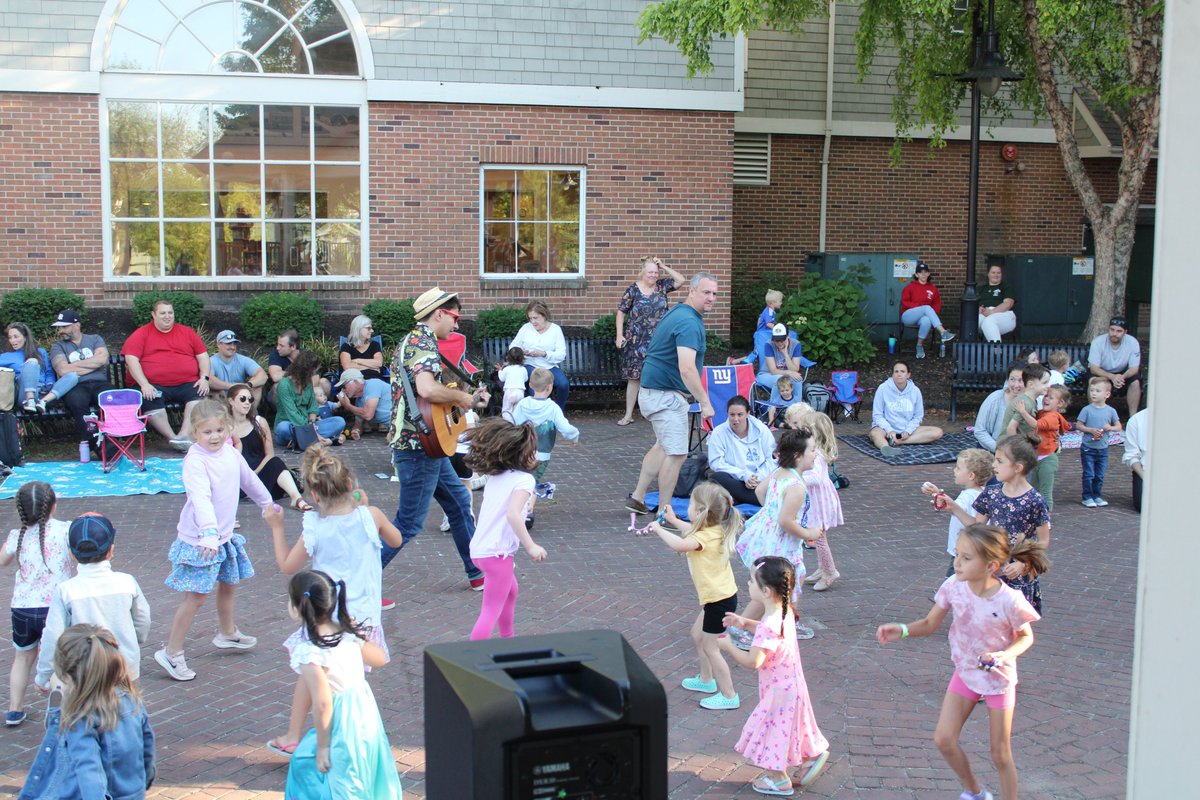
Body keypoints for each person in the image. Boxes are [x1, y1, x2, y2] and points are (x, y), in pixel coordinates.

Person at [876, 524, 1047, 800]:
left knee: (1000, 754)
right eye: (957, 554)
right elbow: (930, 623)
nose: (957, 562)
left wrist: (1004, 655)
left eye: (966, 558)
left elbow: (1026, 638)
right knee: (944, 739)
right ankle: (975, 792)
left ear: (991, 565)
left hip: (999, 681)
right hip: (966, 673)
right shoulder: (953, 587)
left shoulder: (1010, 600)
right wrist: (903, 629)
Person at [264, 448, 402, 756]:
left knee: (312, 671)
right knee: (349, 679)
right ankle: (347, 732)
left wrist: (276, 528)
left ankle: (298, 734)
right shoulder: (372, 516)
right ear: (351, 483)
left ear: (313, 494)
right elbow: (396, 540)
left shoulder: (315, 525)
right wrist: (364, 506)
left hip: (326, 614)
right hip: (363, 615)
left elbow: (288, 566)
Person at [156, 400, 274, 682]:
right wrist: (208, 533)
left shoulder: (231, 454)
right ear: (195, 433)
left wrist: (266, 502)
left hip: (223, 536)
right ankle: (171, 653)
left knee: (229, 584)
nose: (215, 436)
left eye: (220, 430)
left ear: (228, 428)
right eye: (207, 432)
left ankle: (227, 632)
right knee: (196, 597)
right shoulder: (195, 461)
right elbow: (200, 497)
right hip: (202, 540)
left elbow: (249, 479)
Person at [383, 287, 491, 592]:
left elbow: (428, 399)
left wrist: (464, 399)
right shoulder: (422, 342)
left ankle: (477, 572)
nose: (457, 325)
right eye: (454, 317)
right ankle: (357, 581)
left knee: (458, 502)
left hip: (427, 444)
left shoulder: (417, 341)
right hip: (417, 446)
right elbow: (428, 389)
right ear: (439, 313)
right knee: (408, 523)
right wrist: (462, 397)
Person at [280, 570, 402, 799]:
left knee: (334, 778)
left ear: (298, 607)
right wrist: (357, 636)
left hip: (341, 723)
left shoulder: (310, 651)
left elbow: (323, 703)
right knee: (364, 772)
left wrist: (323, 747)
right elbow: (380, 659)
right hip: (364, 716)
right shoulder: (343, 632)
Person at [718, 556, 831, 796]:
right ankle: (814, 755)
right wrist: (744, 622)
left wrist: (729, 647)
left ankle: (778, 779)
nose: (748, 584)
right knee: (796, 724)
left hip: (779, 692)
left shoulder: (769, 623)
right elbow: (766, 632)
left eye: (751, 581)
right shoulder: (784, 611)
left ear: (766, 591)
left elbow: (753, 661)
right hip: (792, 685)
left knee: (772, 730)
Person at [18, 624, 156, 800]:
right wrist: (143, 782)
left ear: (65, 672)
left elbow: (89, 771)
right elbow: (147, 748)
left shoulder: (80, 717)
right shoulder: (131, 700)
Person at [625, 272, 718, 523]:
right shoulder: (688, 322)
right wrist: (706, 402)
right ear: (692, 291)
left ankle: (638, 497)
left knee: (663, 446)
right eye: (706, 292)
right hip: (665, 395)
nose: (711, 298)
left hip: (655, 392)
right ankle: (666, 513)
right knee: (677, 453)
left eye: (714, 294)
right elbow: (687, 368)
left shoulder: (681, 313)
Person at [647, 481, 744, 710]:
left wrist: (659, 529)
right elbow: (689, 532)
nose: (687, 507)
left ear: (701, 511)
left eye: (691, 504)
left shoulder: (704, 537)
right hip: (719, 597)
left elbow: (681, 545)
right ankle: (705, 681)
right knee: (697, 635)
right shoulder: (711, 529)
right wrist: (672, 521)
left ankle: (729, 695)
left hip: (718, 601)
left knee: (712, 647)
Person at [35, 513, 151, 690]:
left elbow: (53, 636)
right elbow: (143, 619)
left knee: (86, 715)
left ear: (72, 554)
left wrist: (43, 675)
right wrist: (136, 640)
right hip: (125, 666)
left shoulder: (66, 591)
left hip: (84, 673)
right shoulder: (127, 582)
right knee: (129, 713)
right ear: (111, 550)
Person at [938, 435, 1050, 613]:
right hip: (992, 568)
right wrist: (953, 507)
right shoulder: (991, 493)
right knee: (985, 618)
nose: (994, 466)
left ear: (1017, 468)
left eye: (999, 461)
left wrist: (1023, 564)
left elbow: (1043, 541)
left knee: (1012, 625)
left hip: (1016, 572)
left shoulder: (1035, 500)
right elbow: (977, 527)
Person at [733, 428, 825, 643]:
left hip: (770, 539)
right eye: (812, 450)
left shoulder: (779, 472)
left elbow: (759, 492)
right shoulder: (797, 486)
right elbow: (786, 521)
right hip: (780, 545)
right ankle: (740, 626)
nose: (816, 454)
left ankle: (789, 621)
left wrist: (771, 510)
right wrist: (809, 533)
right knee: (772, 587)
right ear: (798, 456)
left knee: (795, 579)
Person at [462, 419, 548, 640]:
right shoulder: (525, 480)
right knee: (489, 611)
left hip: (481, 550)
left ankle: (507, 639)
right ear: (524, 454)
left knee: (511, 592)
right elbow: (512, 514)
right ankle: (471, 657)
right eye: (533, 450)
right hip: (497, 554)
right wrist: (531, 546)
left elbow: (507, 509)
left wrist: (526, 506)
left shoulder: (498, 475)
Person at [1, 482, 70, 726]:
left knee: (22, 658)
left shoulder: (16, 535)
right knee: (60, 659)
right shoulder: (65, 530)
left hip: (22, 607)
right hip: (56, 608)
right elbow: (76, 557)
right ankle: (60, 704)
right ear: (53, 506)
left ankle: (14, 710)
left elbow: (2, 561)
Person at [120, 299, 210, 450]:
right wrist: (144, 384)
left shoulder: (187, 332)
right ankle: (173, 438)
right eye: (162, 313)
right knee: (149, 397)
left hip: (186, 382)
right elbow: (131, 360)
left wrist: (204, 378)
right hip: (153, 384)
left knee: (199, 392)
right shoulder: (142, 333)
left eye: (170, 313)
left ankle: (183, 435)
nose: (167, 316)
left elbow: (203, 356)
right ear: (154, 315)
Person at [615, 256, 684, 425]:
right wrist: (619, 335)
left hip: (659, 340)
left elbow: (681, 280)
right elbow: (621, 312)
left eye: (656, 272)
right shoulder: (633, 289)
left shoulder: (662, 286)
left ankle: (657, 412)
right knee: (634, 378)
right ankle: (628, 415)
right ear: (643, 273)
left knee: (659, 375)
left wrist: (664, 266)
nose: (653, 275)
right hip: (636, 340)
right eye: (650, 272)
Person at [512, 368, 580, 527]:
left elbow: (513, 424)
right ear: (550, 387)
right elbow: (565, 427)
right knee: (532, 481)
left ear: (530, 385)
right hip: (541, 454)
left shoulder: (522, 404)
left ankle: (517, 507)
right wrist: (574, 436)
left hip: (521, 451)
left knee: (521, 479)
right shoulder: (553, 407)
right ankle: (528, 512)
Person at [225, 383, 309, 511]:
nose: (247, 403)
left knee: (275, 462)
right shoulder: (224, 427)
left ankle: (297, 499)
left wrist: (254, 473)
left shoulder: (259, 422)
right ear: (231, 401)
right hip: (239, 480)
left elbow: (269, 454)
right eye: (242, 399)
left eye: (250, 399)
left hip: (261, 473)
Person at [921, 448, 993, 579]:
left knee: (952, 581)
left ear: (971, 475)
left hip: (963, 550)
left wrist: (937, 494)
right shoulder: (983, 492)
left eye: (958, 468)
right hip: (976, 549)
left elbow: (953, 507)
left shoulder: (967, 496)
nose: (955, 470)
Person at [46, 309, 112, 447]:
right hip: (76, 385)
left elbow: (101, 359)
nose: (60, 331)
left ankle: (114, 440)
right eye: (59, 328)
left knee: (112, 400)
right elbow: (63, 370)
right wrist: (92, 364)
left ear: (77, 325)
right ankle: (98, 445)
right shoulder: (57, 346)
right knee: (77, 403)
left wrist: (74, 365)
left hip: (100, 383)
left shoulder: (95, 339)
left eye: (64, 327)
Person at [798, 410, 844, 592]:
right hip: (816, 499)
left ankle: (830, 571)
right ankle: (822, 568)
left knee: (819, 537)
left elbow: (816, 477)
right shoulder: (814, 451)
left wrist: (798, 477)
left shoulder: (816, 454)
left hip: (819, 500)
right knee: (817, 535)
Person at [706, 395, 777, 507]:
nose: (736, 419)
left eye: (740, 415)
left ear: (748, 413)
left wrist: (757, 478)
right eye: (732, 415)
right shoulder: (719, 432)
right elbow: (716, 463)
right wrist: (744, 475)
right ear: (727, 414)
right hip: (735, 479)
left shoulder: (761, 430)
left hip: (760, 481)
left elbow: (772, 459)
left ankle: (737, 498)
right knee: (716, 478)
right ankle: (758, 499)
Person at [274, 350, 347, 447]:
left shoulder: (307, 382)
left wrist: (312, 422)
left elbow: (313, 406)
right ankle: (316, 440)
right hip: (291, 425)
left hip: (309, 425)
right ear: (307, 370)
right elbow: (293, 414)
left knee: (339, 422)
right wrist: (312, 430)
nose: (315, 374)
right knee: (282, 428)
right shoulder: (284, 385)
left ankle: (303, 441)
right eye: (314, 371)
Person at [869, 361, 944, 455]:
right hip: (886, 430)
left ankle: (899, 442)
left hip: (906, 430)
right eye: (896, 371)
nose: (899, 374)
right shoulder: (883, 388)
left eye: (902, 371)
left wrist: (908, 431)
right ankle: (886, 448)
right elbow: (877, 415)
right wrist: (889, 430)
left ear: (908, 375)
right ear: (892, 374)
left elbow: (918, 416)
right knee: (874, 433)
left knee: (937, 432)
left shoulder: (915, 391)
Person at [510, 300, 569, 409]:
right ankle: (537, 415)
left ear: (544, 315)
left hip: (549, 366)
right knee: (535, 387)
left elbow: (561, 355)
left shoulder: (555, 330)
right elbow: (512, 347)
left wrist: (544, 354)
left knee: (563, 385)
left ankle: (557, 411)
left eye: (535, 318)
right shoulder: (525, 328)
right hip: (529, 364)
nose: (533, 322)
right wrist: (520, 351)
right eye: (530, 318)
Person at [1076, 377, 1122, 508]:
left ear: (1107, 394)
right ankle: (1087, 497)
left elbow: (1119, 426)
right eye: (1092, 390)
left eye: (1097, 391)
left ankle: (1097, 495)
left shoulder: (1111, 411)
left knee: (1100, 475)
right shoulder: (1087, 409)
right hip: (1088, 448)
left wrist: (1111, 428)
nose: (1093, 393)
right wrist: (1090, 430)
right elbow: (1079, 425)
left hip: (1103, 449)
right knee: (1089, 473)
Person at [1087, 316, 1142, 416]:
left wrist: (1121, 377)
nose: (1114, 334)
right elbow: (1094, 368)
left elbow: (1134, 368)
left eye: (1118, 331)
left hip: (1123, 373)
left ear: (1125, 332)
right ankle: (1094, 415)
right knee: (1093, 381)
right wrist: (1111, 377)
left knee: (1135, 382)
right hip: (1102, 372)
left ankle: (1133, 418)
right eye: (1112, 330)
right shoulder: (1098, 342)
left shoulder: (1132, 342)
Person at [900, 262, 956, 359]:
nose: (923, 275)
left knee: (926, 320)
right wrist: (921, 307)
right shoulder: (909, 287)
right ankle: (943, 332)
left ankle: (919, 345)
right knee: (926, 308)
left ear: (929, 274)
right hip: (908, 315)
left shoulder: (933, 289)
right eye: (921, 273)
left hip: (923, 317)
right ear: (917, 275)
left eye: (925, 272)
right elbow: (905, 303)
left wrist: (929, 312)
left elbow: (937, 305)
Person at [1031, 385, 1072, 513]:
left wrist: (1022, 412)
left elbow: (1037, 424)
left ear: (1060, 403)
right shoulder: (1043, 413)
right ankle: (1036, 515)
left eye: (1051, 397)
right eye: (1046, 395)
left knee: (1045, 491)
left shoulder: (1053, 417)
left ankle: (1045, 518)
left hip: (1047, 459)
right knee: (1035, 489)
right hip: (1038, 458)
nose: (1046, 399)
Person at [2, 322, 56, 413]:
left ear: (25, 337)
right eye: (10, 337)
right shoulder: (5, 357)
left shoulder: (40, 352)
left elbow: (49, 372)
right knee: (32, 362)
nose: (12, 340)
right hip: (23, 396)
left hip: (44, 395)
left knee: (72, 376)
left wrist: (49, 385)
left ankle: (42, 401)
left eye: (16, 337)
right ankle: (30, 400)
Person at [973, 363, 1024, 453]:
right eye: (1012, 379)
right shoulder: (995, 399)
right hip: (992, 450)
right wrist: (999, 450)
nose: (1016, 385)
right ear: (1007, 380)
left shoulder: (1032, 402)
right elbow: (979, 430)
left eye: (1020, 380)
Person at [208, 330, 267, 404]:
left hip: (241, 398)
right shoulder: (211, 361)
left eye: (234, 344)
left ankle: (252, 414)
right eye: (228, 343)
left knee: (257, 386)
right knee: (214, 392)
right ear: (219, 344)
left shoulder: (242, 360)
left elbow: (263, 376)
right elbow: (209, 381)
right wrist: (234, 386)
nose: (232, 347)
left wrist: (249, 385)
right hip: (222, 400)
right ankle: (223, 415)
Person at [334, 368, 391, 440]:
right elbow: (358, 424)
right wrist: (356, 431)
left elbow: (368, 414)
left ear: (356, 382)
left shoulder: (372, 384)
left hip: (405, 421)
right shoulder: (359, 401)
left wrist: (348, 406)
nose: (343, 390)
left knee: (391, 440)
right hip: (395, 426)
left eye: (344, 386)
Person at [1001, 363, 1049, 444]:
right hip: (1009, 448)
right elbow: (1011, 428)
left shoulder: (1030, 401)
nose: (1048, 386)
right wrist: (1017, 451)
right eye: (1044, 383)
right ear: (1031, 384)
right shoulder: (1025, 403)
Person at [757, 323, 808, 394]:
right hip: (767, 374)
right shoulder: (769, 344)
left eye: (782, 340)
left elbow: (795, 369)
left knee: (797, 381)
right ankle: (775, 404)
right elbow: (773, 371)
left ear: (788, 336)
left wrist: (786, 354)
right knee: (780, 381)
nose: (779, 343)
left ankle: (796, 404)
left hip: (786, 376)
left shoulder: (796, 344)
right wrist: (788, 372)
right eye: (776, 340)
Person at [977, 263, 1017, 342]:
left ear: (1001, 275)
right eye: (993, 272)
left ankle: (997, 351)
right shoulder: (980, 288)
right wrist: (978, 309)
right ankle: (971, 349)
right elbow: (972, 305)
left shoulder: (1006, 287)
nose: (996, 275)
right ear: (988, 274)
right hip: (984, 313)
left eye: (998, 273)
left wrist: (991, 312)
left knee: (988, 321)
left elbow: (1008, 304)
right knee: (974, 320)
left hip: (1004, 315)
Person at [340, 315, 384, 382]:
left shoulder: (374, 345)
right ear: (358, 329)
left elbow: (379, 363)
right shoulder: (346, 346)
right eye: (368, 328)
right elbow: (347, 366)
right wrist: (371, 367)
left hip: (374, 380)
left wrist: (357, 360)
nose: (372, 331)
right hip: (354, 382)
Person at [1123, 407, 1149, 512]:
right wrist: (1144, 477)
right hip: (1146, 470)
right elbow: (1131, 455)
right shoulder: (1137, 420)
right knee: (1143, 505)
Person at [498, 347, 528, 422]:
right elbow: (526, 379)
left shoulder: (507, 369)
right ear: (522, 358)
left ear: (508, 358)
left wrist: (499, 370)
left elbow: (501, 378)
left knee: (506, 411)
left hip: (509, 392)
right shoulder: (523, 369)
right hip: (520, 392)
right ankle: (516, 425)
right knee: (517, 411)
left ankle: (509, 424)